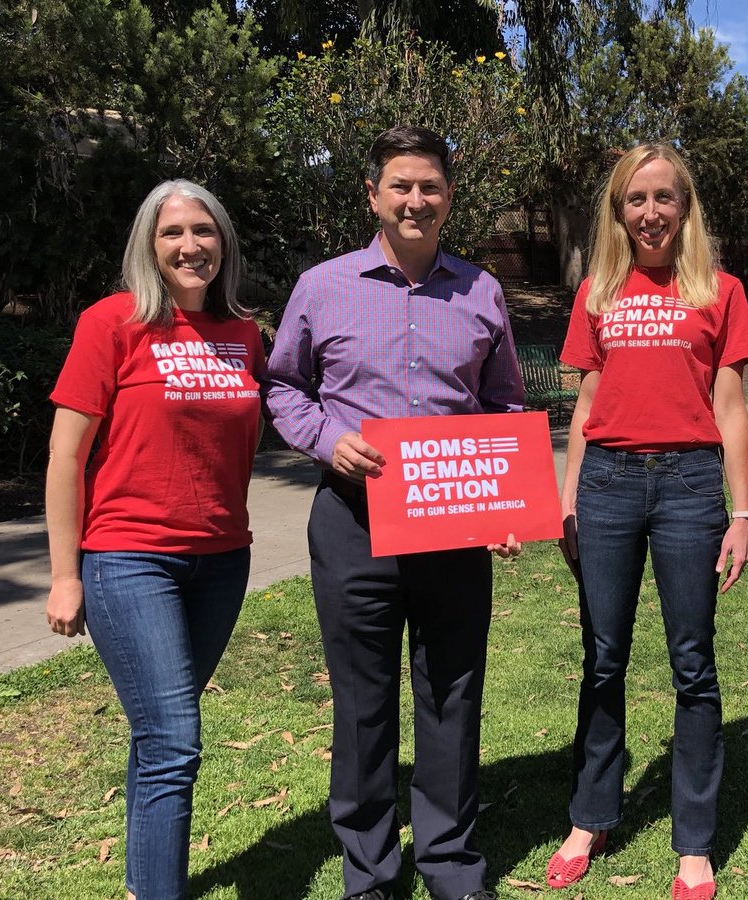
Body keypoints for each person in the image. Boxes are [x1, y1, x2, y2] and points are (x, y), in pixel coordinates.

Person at [265, 125, 524, 900]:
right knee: (362, 701)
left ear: (448, 197)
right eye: (401, 186)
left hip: (451, 524)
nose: (417, 200)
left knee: (452, 693)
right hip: (353, 522)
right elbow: (283, 387)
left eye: (431, 187)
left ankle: (449, 862)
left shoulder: (481, 291)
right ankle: (371, 872)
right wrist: (326, 440)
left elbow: (504, 403)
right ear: (373, 196)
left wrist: (505, 497)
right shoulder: (322, 286)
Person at [549, 143, 748, 900]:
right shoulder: (599, 290)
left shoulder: (720, 291)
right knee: (603, 656)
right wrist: (568, 499)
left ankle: (694, 842)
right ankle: (592, 814)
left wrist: (741, 510)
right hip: (605, 483)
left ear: (686, 206)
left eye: (664, 198)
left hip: (689, 485)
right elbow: (585, 404)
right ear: (618, 209)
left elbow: (732, 408)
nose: (650, 214)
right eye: (635, 200)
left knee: (692, 663)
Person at [45, 179, 265, 900]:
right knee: (174, 740)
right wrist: (64, 574)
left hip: (223, 558)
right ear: (148, 245)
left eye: (202, 231)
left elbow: (264, 426)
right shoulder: (112, 324)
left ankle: (145, 884)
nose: (189, 246)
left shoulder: (243, 333)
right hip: (128, 559)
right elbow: (65, 457)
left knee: (160, 736)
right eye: (171, 233)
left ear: (222, 241)